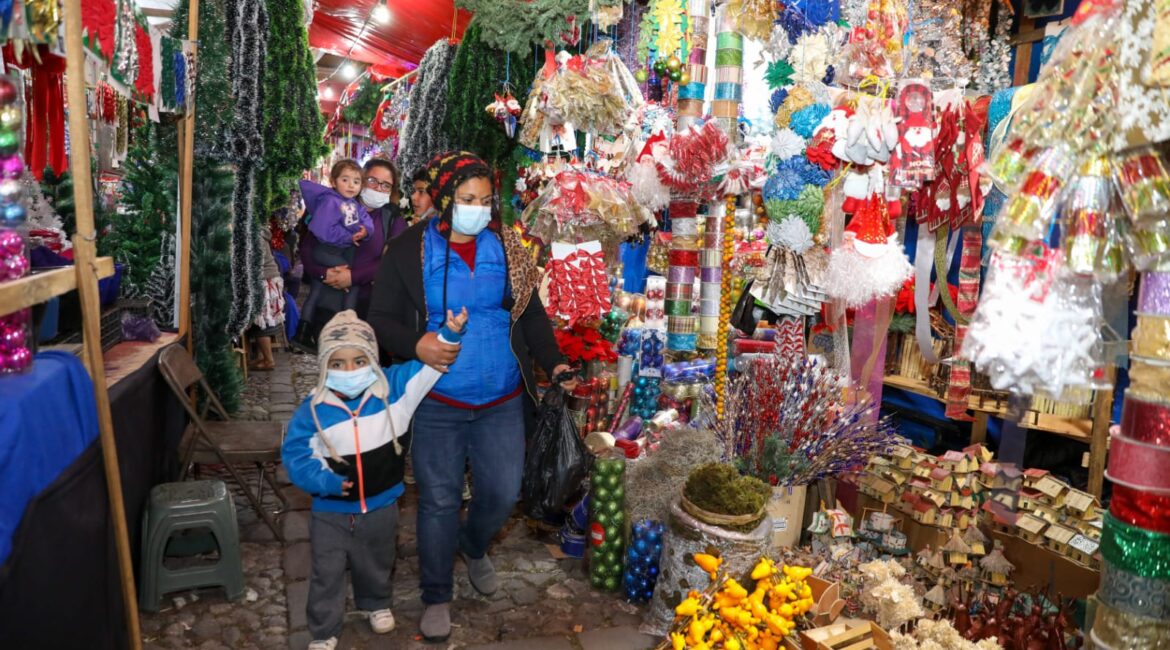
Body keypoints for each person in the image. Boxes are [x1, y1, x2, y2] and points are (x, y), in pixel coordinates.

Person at [368, 151, 572, 643]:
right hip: (437, 401)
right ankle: (436, 594)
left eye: (484, 200)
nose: (478, 209)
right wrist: (417, 343)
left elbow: (530, 314)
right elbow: (380, 319)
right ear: (443, 200)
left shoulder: (508, 247)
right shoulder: (407, 250)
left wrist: (555, 362)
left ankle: (474, 545)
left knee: (503, 492)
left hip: (501, 398)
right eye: (466, 200)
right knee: (438, 499)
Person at [282, 307, 467, 650]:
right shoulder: (312, 410)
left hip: (382, 505)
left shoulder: (394, 392)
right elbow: (296, 456)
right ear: (324, 366)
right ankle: (323, 630)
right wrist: (326, 483)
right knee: (327, 570)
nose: (349, 370)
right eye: (337, 364)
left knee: (378, 560)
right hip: (330, 511)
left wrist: (450, 334)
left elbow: (427, 369)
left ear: (373, 359)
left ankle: (376, 603)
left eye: (358, 360)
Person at [294, 159, 408, 351]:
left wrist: (352, 277)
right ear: (362, 179)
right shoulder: (335, 205)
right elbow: (308, 249)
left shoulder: (393, 220)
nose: (378, 188)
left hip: (371, 310)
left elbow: (393, 261)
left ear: (392, 190)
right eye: (372, 180)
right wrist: (323, 274)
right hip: (328, 306)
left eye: (385, 185)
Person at [248, 225, 285, 371]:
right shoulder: (258, 233)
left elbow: (254, 263)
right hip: (268, 280)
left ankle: (268, 360)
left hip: (263, 281)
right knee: (263, 321)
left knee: (261, 323)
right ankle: (261, 358)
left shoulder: (253, 236)